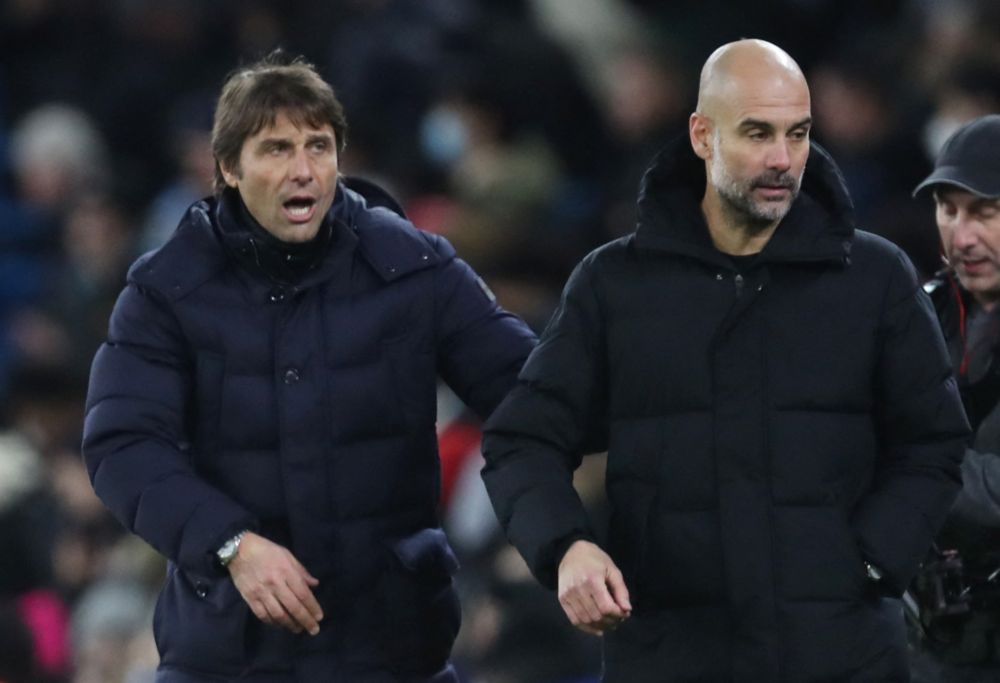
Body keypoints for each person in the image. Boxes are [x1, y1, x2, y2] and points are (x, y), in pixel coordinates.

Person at [481, 38, 970, 682]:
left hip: (841, 655)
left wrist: (871, 563)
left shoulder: (875, 277)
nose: (782, 159)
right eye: (757, 133)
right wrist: (566, 547)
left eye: (797, 134)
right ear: (701, 135)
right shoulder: (614, 284)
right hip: (673, 654)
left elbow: (933, 441)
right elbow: (522, 440)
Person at [81, 52, 536, 683]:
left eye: (318, 147)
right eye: (275, 149)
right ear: (228, 169)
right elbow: (123, 446)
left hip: (393, 648)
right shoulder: (166, 291)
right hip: (229, 654)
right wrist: (231, 545)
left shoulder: (412, 267)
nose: (303, 170)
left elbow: (531, 391)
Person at [909, 114, 1000, 682]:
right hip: (934, 644)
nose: (961, 235)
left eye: (985, 213)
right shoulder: (920, 315)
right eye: (948, 210)